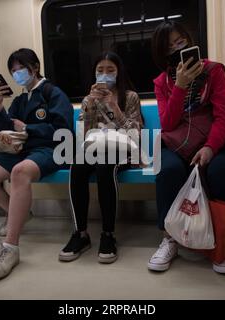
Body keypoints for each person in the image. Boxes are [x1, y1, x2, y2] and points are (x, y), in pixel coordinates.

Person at [0, 48, 74, 281]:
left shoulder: (53, 94)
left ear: (34, 67)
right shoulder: (20, 99)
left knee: (20, 172)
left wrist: (28, 128)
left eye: (20, 69)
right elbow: (8, 125)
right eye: (13, 71)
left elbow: (64, 131)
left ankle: (10, 248)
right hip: (21, 150)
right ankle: (21, 213)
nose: (17, 74)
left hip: (52, 150)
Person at [149, 21, 225, 274]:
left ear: (189, 38)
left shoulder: (214, 70)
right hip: (176, 144)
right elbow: (167, 123)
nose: (178, 48)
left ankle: (222, 242)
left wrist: (210, 147)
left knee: (222, 172)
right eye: (170, 48)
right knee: (168, 171)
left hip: (212, 142)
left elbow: (224, 116)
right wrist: (180, 86)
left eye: (180, 42)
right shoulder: (161, 82)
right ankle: (169, 238)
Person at [58, 52, 143, 264]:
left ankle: (108, 234)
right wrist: (88, 105)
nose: (104, 74)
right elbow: (83, 134)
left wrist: (114, 106)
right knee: (76, 166)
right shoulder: (89, 99)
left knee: (106, 167)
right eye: (100, 71)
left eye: (110, 70)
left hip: (123, 149)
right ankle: (81, 233)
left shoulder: (130, 97)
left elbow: (136, 132)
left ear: (119, 72)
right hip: (95, 148)